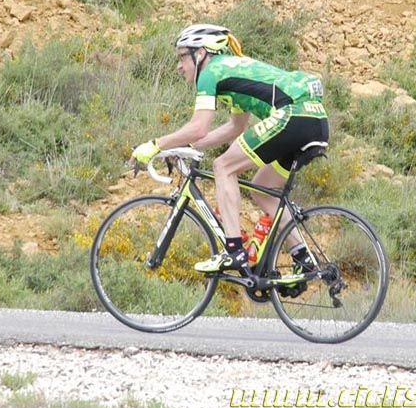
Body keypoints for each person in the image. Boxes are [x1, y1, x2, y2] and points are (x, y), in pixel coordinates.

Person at [130, 23, 328, 272]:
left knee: (223, 167)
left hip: (292, 115)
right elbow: (235, 127)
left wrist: (156, 145)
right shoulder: (232, 71)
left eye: (182, 57)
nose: (179, 66)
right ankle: (304, 259)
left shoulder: (211, 72)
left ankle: (233, 251)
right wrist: (184, 146)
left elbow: (199, 126)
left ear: (200, 53)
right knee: (263, 190)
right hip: (314, 120)